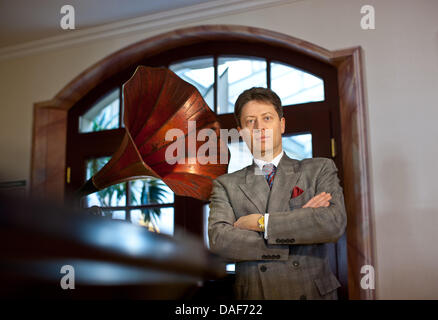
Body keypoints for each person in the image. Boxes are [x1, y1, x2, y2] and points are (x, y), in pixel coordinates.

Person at [208, 87, 347, 300]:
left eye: (267, 118)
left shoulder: (319, 169)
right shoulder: (225, 184)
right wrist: (302, 224)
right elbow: (220, 242)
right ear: (241, 132)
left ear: (281, 124)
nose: (259, 127)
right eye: (250, 121)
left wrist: (261, 223)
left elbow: (332, 223)